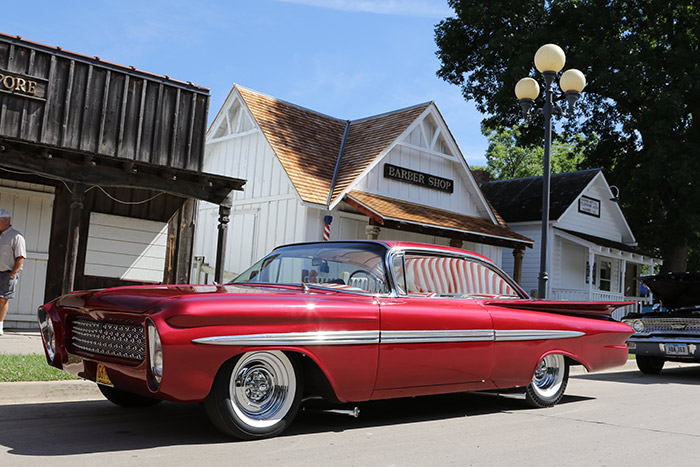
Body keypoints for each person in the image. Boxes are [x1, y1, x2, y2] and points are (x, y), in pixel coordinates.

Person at [0, 209, 26, 336]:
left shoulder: (17, 236)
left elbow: (20, 257)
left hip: (7, 273)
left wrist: (13, 273)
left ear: (5, 220)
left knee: (2, 299)